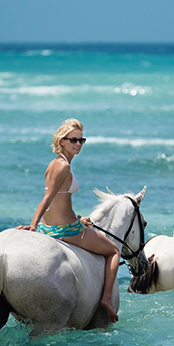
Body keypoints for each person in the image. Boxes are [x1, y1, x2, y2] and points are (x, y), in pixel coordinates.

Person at [16, 118, 120, 322]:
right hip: (66, 230)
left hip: (53, 227)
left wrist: (80, 219)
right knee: (114, 251)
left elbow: (58, 202)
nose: (78, 144)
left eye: (82, 140)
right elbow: (48, 198)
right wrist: (33, 225)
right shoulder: (63, 166)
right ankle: (107, 298)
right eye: (73, 140)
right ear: (62, 141)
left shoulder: (53, 164)